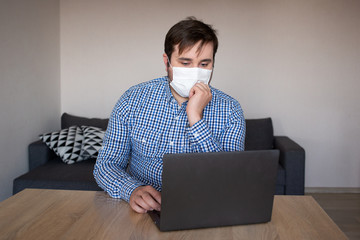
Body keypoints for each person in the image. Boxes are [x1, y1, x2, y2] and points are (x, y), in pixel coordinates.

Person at [94, 17, 246, 214]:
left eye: (204, 63)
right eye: (185, 62)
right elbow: (106, 164)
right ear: (167, 62)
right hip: (144, 212)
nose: (195, 72)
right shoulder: (133, 99)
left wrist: (195, 117)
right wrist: (131, 190)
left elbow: (230, 179)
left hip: (205, 209)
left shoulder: (231, 110)